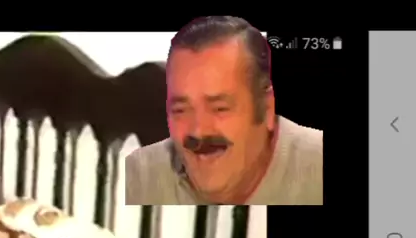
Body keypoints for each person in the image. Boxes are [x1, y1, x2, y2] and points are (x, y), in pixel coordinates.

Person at [125, 16, 323, 205]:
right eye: (181, 110)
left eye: (219, 109)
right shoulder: (138, 177)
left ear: (267, 109)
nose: (198, 131)